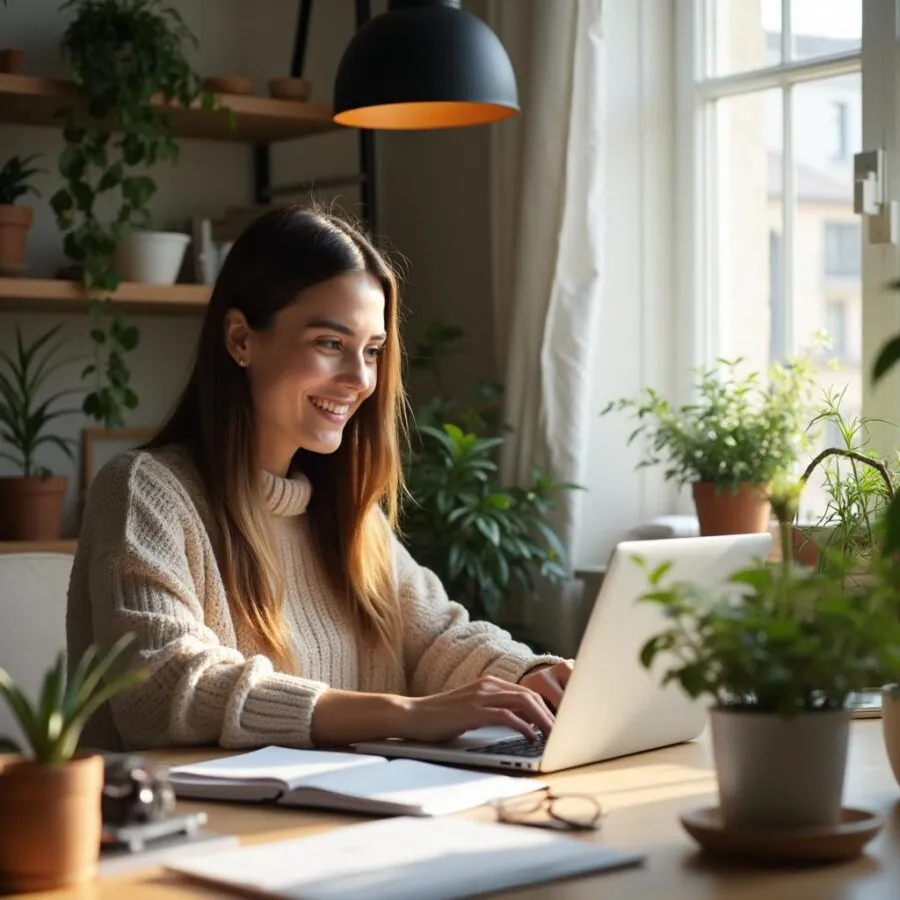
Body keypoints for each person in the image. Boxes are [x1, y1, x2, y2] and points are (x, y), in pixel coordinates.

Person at [67, 206, 573, 752]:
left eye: (372, 351)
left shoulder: (345, 511)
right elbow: (161, 689)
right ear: (240, 339)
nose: (360, 379)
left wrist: (530, 677)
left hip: (347, 817)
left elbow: (439, 640)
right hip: (194, 827)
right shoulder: (146, 491)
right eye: (330, 344)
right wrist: (403, 715)